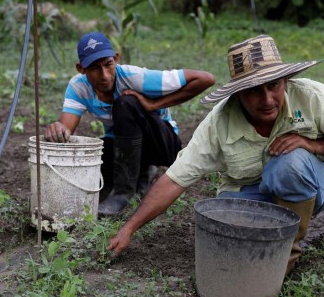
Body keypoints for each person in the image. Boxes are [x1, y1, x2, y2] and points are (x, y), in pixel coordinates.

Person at [108, 34, 324, 273]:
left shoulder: (314, 98)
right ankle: (263, 238)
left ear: (285, 80)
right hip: (255, 193)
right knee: (224, 220)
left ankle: (287, 254)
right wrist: (129, 228)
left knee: (288, 166)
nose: (266, 100)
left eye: (273, 86)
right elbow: (174, 179)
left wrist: (314, 145)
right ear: (238, 94)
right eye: (253, 91)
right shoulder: (219, 123)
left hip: (315, 186)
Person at [45, 32, 215, 215]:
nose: (104, 75)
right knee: (95, 155)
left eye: (108, 64)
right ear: (81, 69)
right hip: (125, 144)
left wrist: (153, 104)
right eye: (94, 68)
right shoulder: (78, 87)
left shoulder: (136, 77)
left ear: (116, 59)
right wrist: (58, 128)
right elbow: (66, 128)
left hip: (164, 146)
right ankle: (144, 172)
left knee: (125, 103)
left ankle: (123, 193)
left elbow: (206, 78)